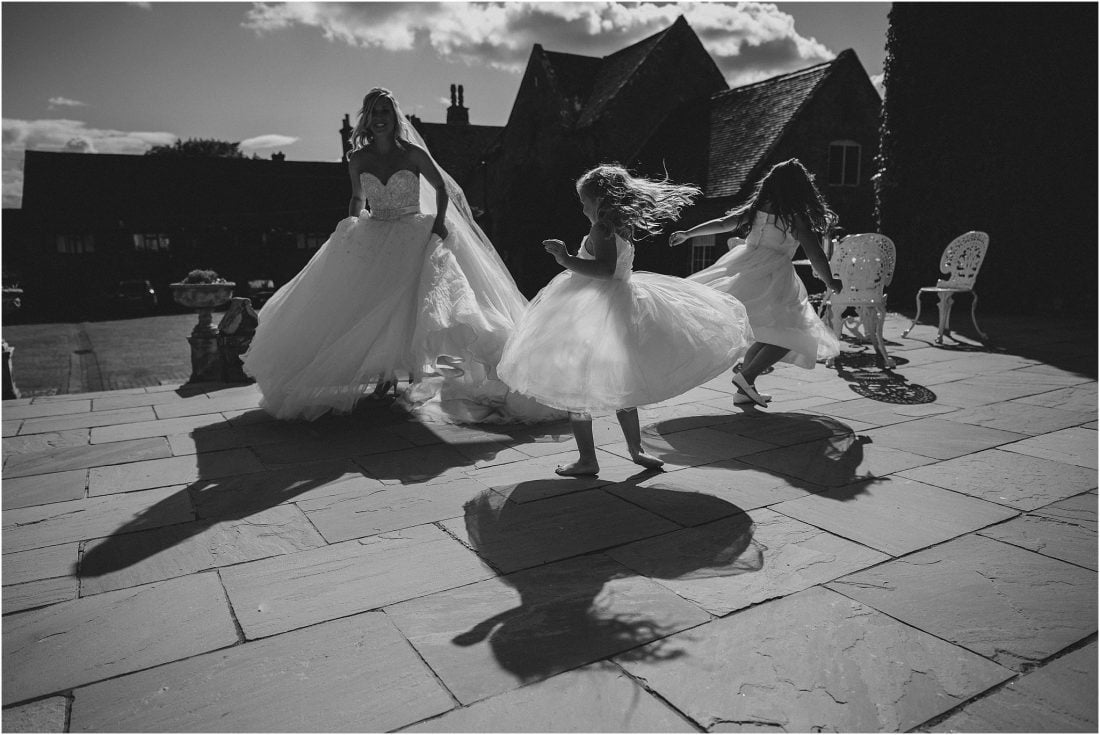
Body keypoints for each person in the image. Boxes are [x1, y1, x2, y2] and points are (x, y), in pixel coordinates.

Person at [242, 88, 561, 424]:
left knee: (425, 309)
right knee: (368, 307)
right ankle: (385, 378)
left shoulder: (412, 153)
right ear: (367, 117)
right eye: (374, 112)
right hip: (374, 233)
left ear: (395, 117)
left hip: (414, 232)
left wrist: (438, 224)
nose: (380, 118)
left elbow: (442, 188)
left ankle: (455, 374)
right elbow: (356, 197)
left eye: (386, 111)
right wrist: (350, 225)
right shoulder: (358, 158)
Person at [497, 165, 753, 476]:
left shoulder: (600, 230)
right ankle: (635, 449)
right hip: (616, 307)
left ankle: (589, 459)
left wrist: (565, 258)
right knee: (623, 383)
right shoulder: (619, 228)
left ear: (599, 202)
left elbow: (604, 270)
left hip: (592, 311)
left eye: (584, 202)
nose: (582, 208)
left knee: (578, 390)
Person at [669, 158, 841, 407]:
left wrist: (689, 233)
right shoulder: (796, 217)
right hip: (773, 273)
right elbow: (815, 253)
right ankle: (746, 376)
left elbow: (722, 223)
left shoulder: (757, 209)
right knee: (793, 332)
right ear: (800, 189)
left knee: (767, 332)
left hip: (743, 266)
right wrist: (830, 281)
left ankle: (744, 388)